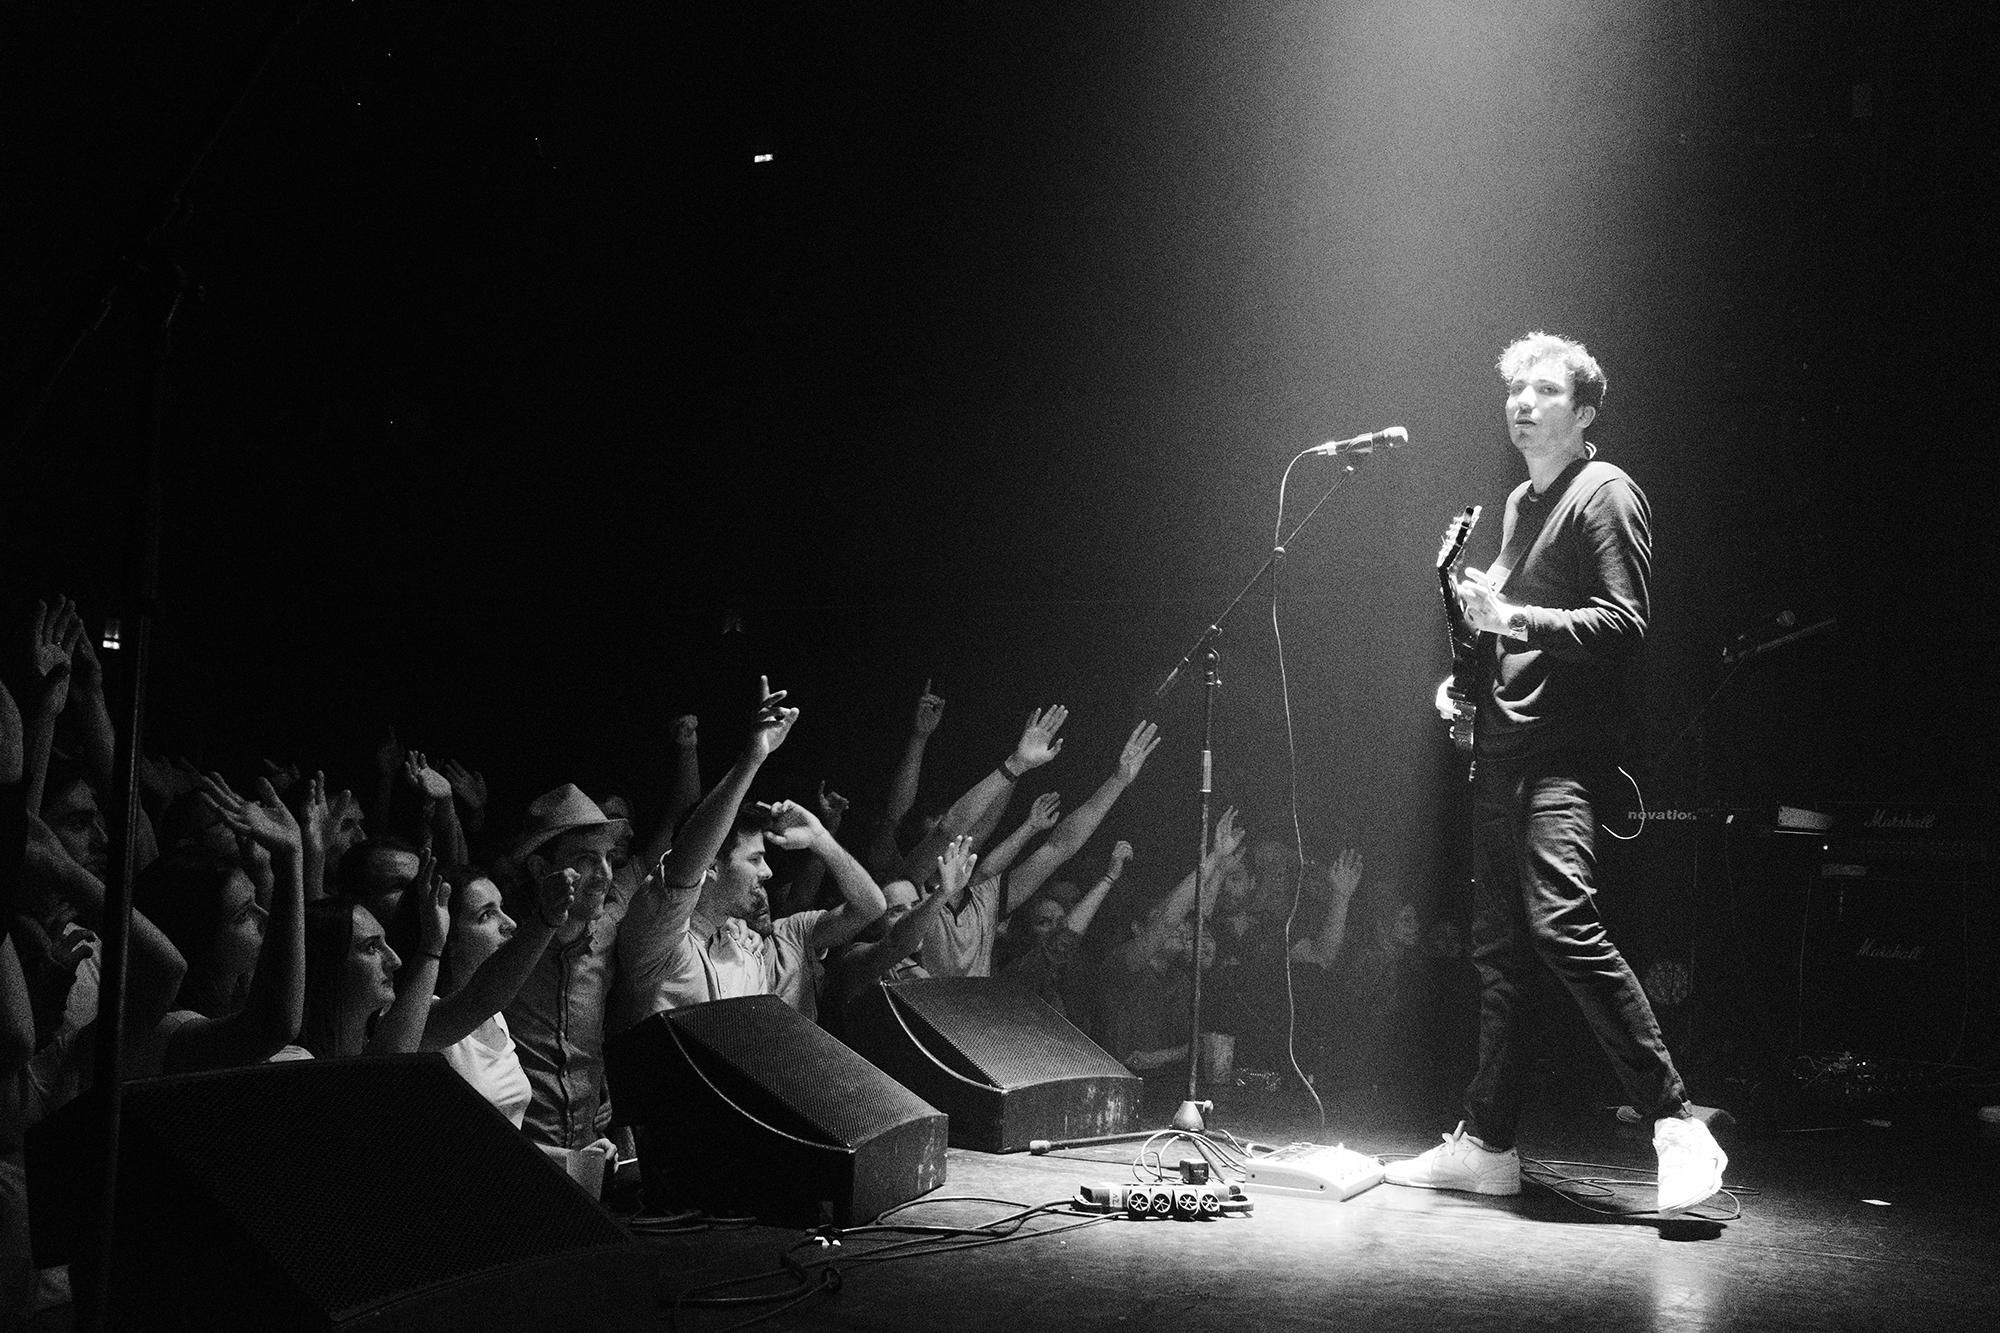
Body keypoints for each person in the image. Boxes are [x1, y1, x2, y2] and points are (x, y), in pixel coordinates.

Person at [1389, 331, 1725, 1215]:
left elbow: (1625, 623)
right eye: (1515, 390)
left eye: (1544, 391)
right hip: (1501, 756)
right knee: (1500, 955)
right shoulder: (1515, 506)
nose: (1523, 403)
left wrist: (1517, 615)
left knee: (1563, 924)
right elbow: (1502, 633)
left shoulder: (1603, 493)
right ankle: (1488, 1144)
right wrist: (1461, 687)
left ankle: (1677, 1122)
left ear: (1584, 414)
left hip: (1564, 761)